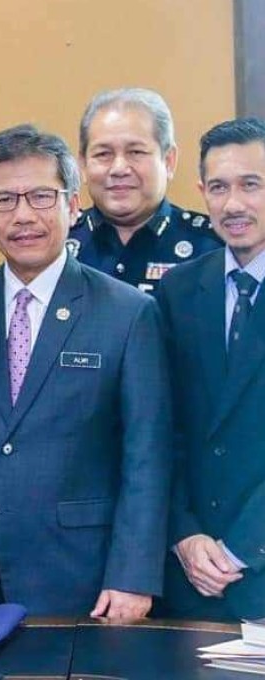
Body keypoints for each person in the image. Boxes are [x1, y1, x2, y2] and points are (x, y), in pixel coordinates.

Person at [0, 125, 171, 618]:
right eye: (3, 200)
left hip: (82, 578)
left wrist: (132, 576)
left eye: (42, 197)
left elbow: (146, 459)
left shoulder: (127, 313)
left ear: (72, 206)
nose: (23, 215)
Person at [159, 118, 265, 621]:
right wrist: (183, 533)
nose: (234, 204)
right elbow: (160, 427)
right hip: (189, 574)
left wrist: (240, 550)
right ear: (201, 192)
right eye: (219, 187)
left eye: (252, 184)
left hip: (252, 564)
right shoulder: (178, 290)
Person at [69, 88, 220, 293]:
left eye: (136, 152)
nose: (119, 168)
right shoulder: (59, 245)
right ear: (83, 165)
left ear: (168, 161)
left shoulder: (212, 247)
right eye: (103, 154)